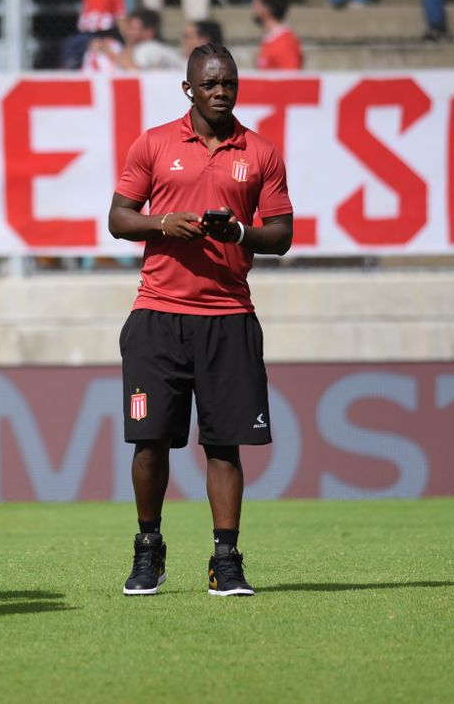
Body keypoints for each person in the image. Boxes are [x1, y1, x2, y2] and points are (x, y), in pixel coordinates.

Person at [107, 42, 293, 598]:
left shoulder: (259, 151)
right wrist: (164, 223)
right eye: (210, 83)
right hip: (158, 315)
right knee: (150, 441)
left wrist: (238, 232)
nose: (220, 92)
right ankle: (148, 551)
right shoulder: (154, 143)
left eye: (229, 83)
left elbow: (281, 235)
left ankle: (226, 560)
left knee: (224, 446)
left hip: (229, 317)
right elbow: (118, 219)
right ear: (188, 88)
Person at [252, 0, 304, 69]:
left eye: (257, 5)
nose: (254, 9)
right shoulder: (273, 39)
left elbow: (290, 78)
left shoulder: (285, 43)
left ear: (266, 9)